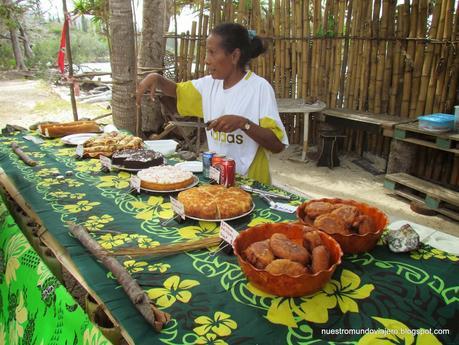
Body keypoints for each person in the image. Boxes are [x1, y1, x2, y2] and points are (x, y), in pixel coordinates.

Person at [136, 23, 288, 184]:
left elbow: (277, 145)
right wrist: (156, 78)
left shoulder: (259, 88)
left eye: (212, 53)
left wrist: (244, 124)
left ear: (235, 56)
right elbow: (176, 91)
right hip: (218, 179)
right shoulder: (208, 85)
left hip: (252, 182)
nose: (206, 60)